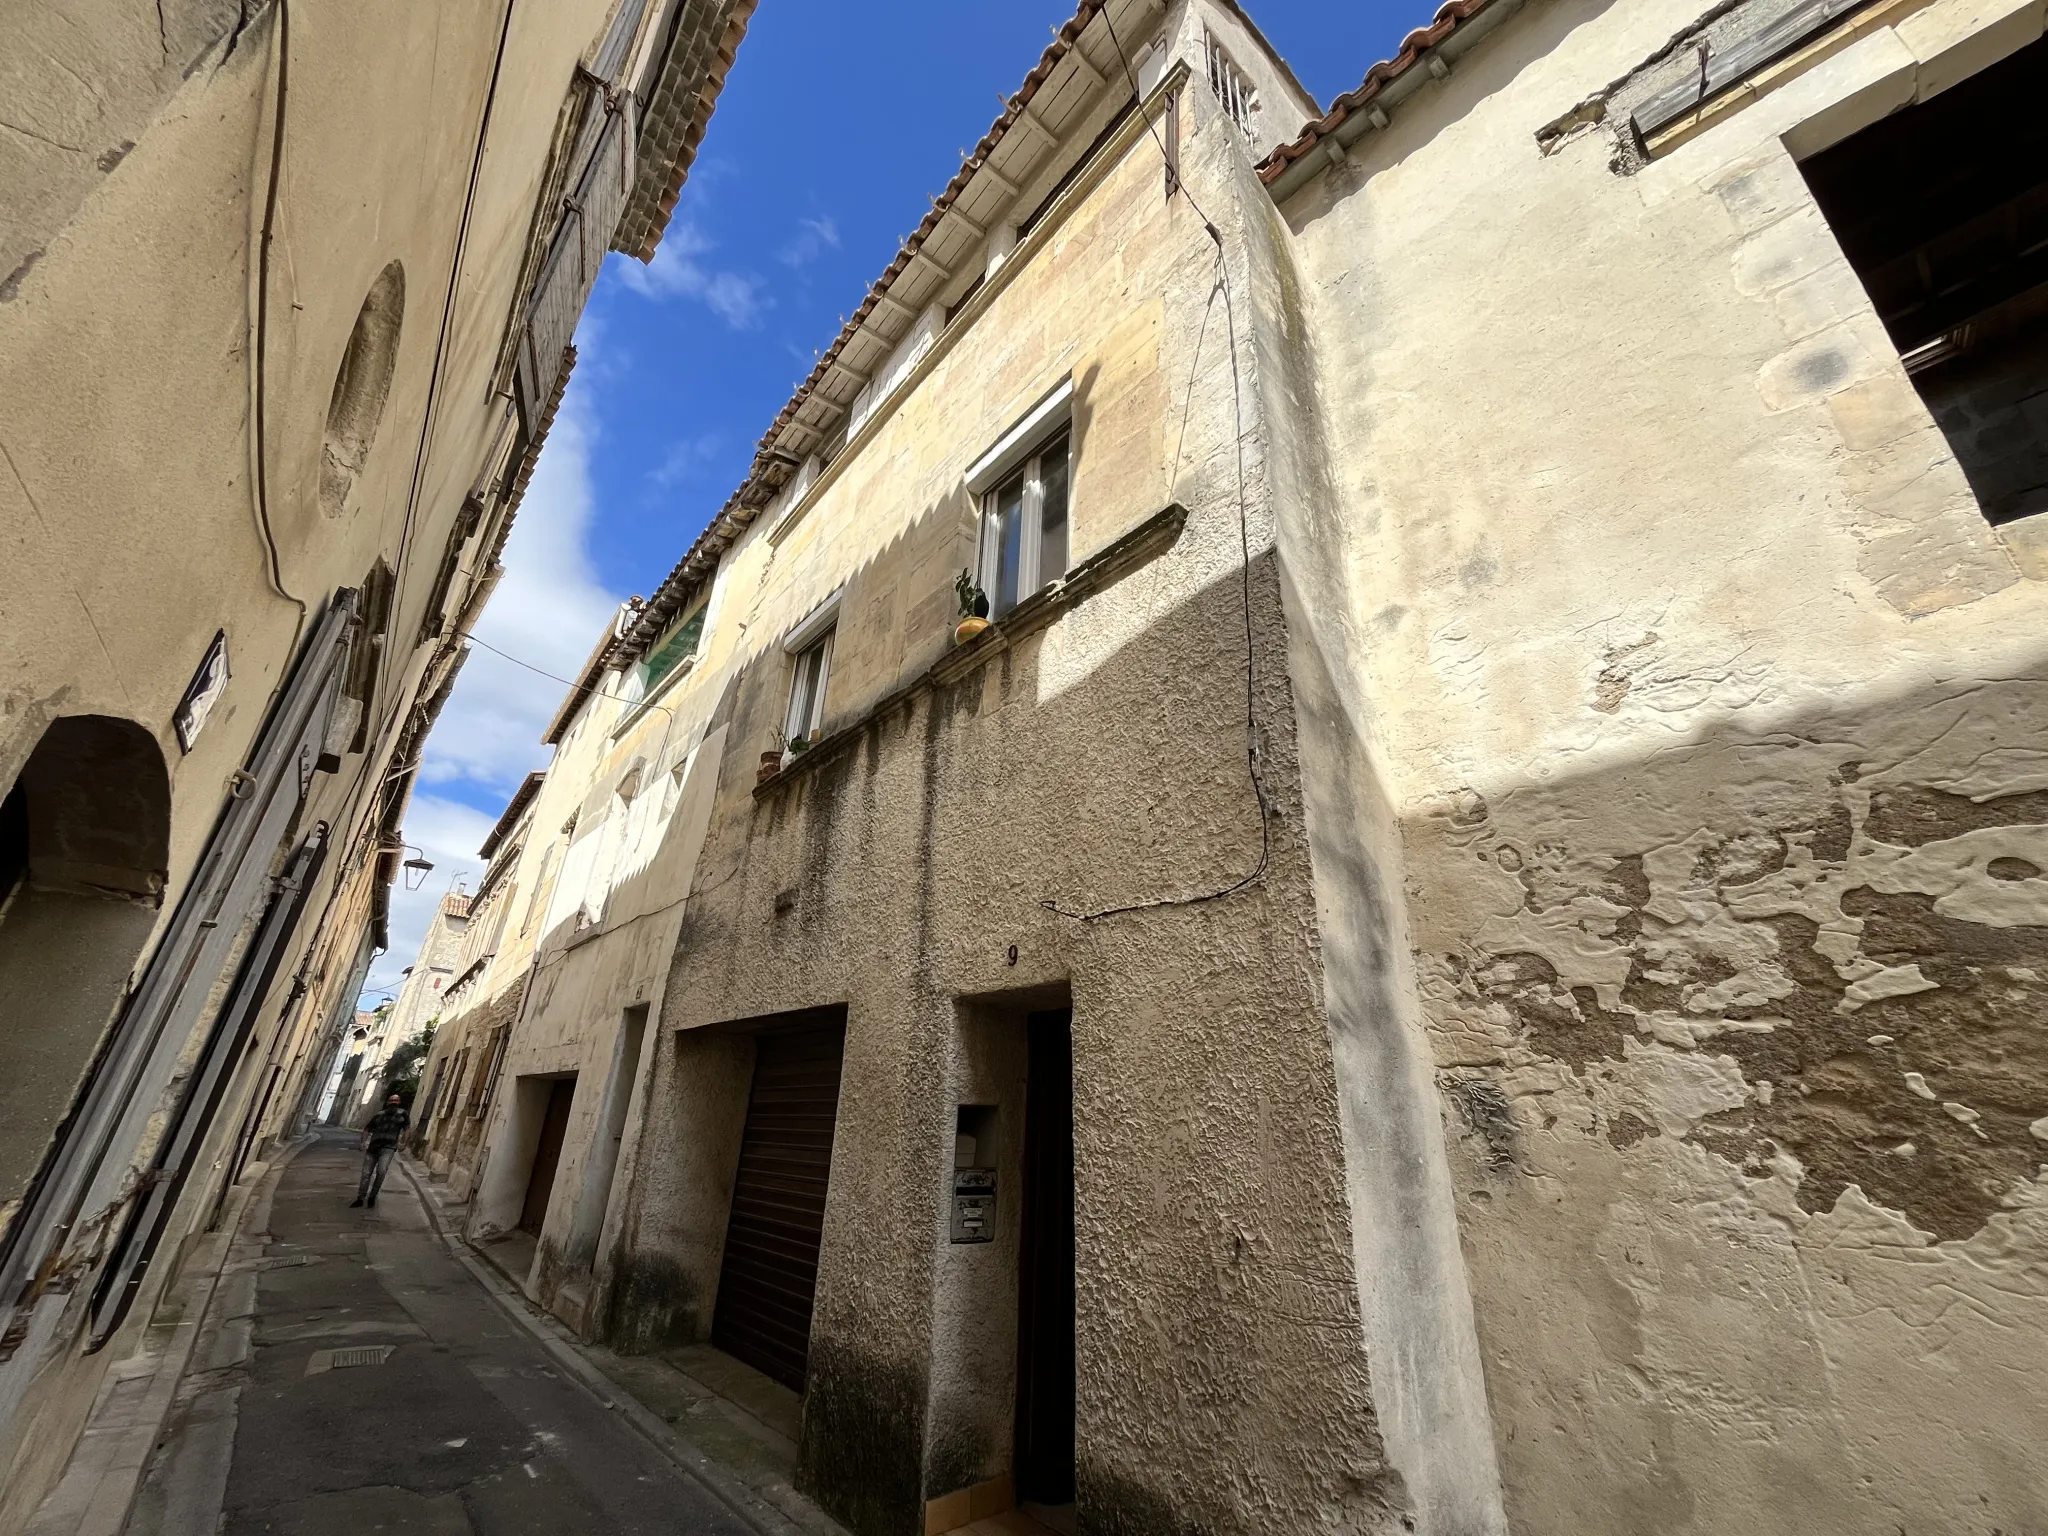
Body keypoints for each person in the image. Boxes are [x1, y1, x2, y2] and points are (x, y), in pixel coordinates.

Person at [352, 1094, 410, 1208]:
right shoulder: (379, 1115)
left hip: (388, 1148)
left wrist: (404, 1143)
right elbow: (367, 1128)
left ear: (399, 1102)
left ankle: (372, 1197)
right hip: (373, 1148)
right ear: (388, 1102)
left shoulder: (403, 1114)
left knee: (381, 1171)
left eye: (396, 1100)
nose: (394, 1102)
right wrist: (363, 1142)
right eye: (392, 1100)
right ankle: (360, 1198)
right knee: (366, 1174)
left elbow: (407, 1128)